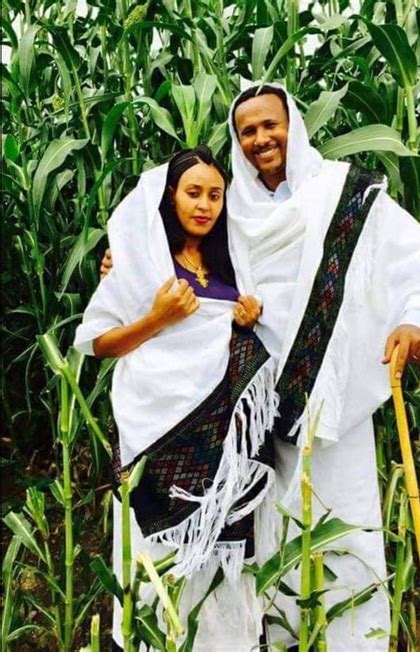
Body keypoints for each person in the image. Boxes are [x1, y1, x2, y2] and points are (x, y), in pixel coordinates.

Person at [100, 85, 420, 651]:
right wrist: (121, 261)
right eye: (247, 131)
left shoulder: (344, 194)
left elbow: (413, 261)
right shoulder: (229, 210)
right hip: (247, 407)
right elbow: (175, 250)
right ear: (237, 140)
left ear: (293, 123)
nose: (260, 139)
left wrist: (417, 319)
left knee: (339, 526)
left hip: (329, 400)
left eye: (270, 125)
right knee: (256, 539)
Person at [75, 145, 280, 652]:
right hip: (157, 425)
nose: (205, 205)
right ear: (170, 197)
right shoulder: (139, 260)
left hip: (220, 435)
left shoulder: (228, 262)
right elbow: (99, 343)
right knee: (161, 548)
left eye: (215, 194)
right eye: (193, 193)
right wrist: (158, 319)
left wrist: (245, 318)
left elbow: (235, 327)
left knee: (220, 551)